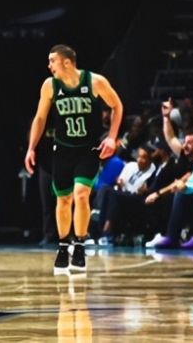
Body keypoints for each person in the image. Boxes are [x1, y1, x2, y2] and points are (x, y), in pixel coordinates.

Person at [24, 44, 123, 275]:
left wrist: (112, 137)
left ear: (66, 62)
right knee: (64, 199)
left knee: (81, 194)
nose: (49, 66)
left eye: (52, 61)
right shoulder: (50, 85)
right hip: (62, 150)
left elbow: (117, 106)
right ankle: (63, 246)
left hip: (88, 150)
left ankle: (79, 245)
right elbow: (40, 118)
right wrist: (31, 148)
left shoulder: (95, 81)